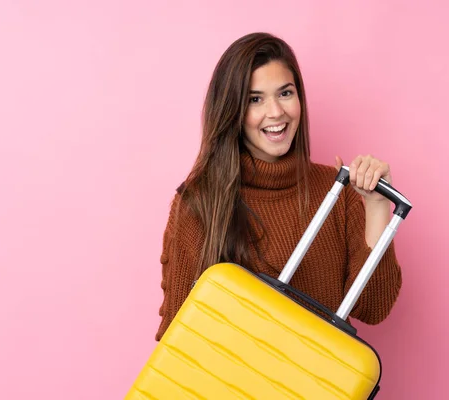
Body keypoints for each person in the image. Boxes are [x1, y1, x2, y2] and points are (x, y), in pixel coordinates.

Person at [155, 32, 402, 341]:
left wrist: (377, 205)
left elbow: (373, 308)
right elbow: (177, 336)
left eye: (285, 93)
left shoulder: (338, 191)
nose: (275, 112)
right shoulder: (201, 202)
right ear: (233, 111)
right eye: (255, 99)